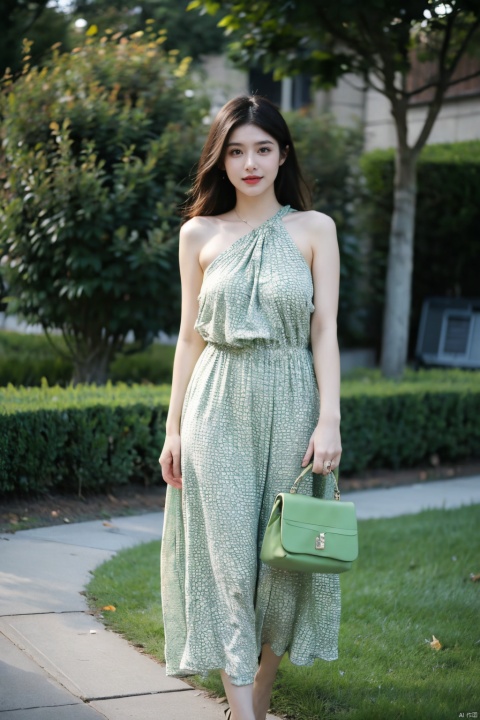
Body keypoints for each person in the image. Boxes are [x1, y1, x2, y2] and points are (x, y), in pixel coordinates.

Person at [159, 95, 342, 720]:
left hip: (294, 403)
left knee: (283, 566)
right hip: (216, 405)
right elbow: (190, 335)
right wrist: (173, 427)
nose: (250, 163)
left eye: (263, 148)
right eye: (235, 151)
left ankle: (255, 695)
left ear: (282, 153)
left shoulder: (315, 229)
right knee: (230, 565)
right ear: (222, 160)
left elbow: (325, 332)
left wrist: (330, 418)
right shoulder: (199, 234)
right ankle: (246, 712)